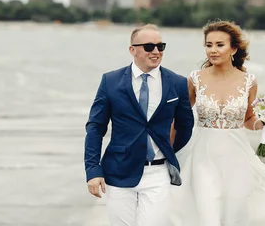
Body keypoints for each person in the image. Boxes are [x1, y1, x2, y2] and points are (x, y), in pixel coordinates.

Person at [169, 20, 265, 226]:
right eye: (209, 45)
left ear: (233, 49)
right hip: (202, 155)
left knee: (236, 211)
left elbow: (248, 119)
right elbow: (180, 118)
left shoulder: (248, 81)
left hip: (237, 156)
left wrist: (262, 125)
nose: (213, 50)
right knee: (206, 207)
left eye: (220, 45)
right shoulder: (195, 79)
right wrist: (169, 151)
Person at [84, 24, 195, 226]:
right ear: (132, 50)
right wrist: (92, 170)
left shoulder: (178, 83)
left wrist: (168, 150)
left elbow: (186, 125)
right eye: (149, 47)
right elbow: (95, 127)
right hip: (118, 170)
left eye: (160, 46)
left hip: (158, 173)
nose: (156, 52)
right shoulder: (110, 81)